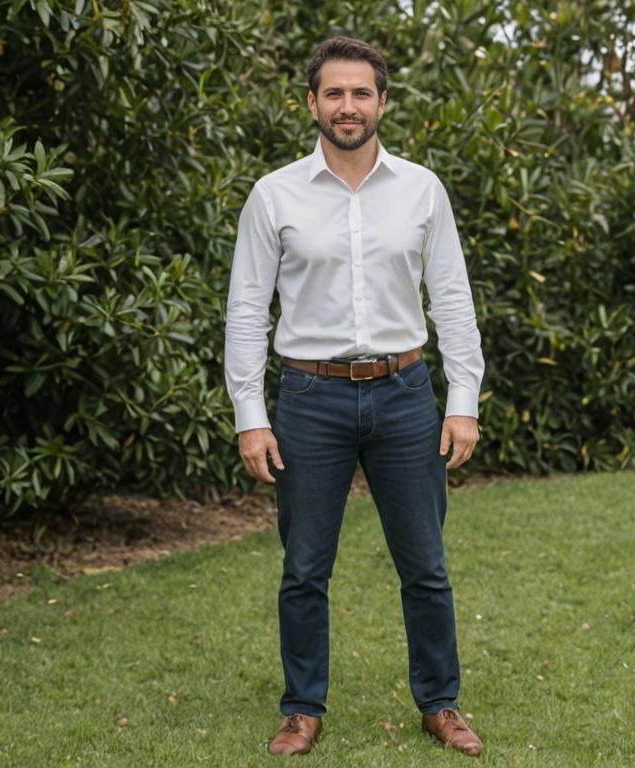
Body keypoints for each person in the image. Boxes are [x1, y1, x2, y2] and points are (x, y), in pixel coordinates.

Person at [224, 35, 485, 758]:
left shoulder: (422, 190)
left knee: (425, 565)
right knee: (304, 567)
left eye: (361, 93)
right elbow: (247, 310)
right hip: (309, 399)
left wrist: (462, 398)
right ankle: (302, 709)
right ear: (312, 103)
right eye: (333, 93)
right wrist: (251, 417)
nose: (347, 106)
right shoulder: (273, 195)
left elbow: (453, 299)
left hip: (405, 396)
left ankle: (440, 703)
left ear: (382, 102)